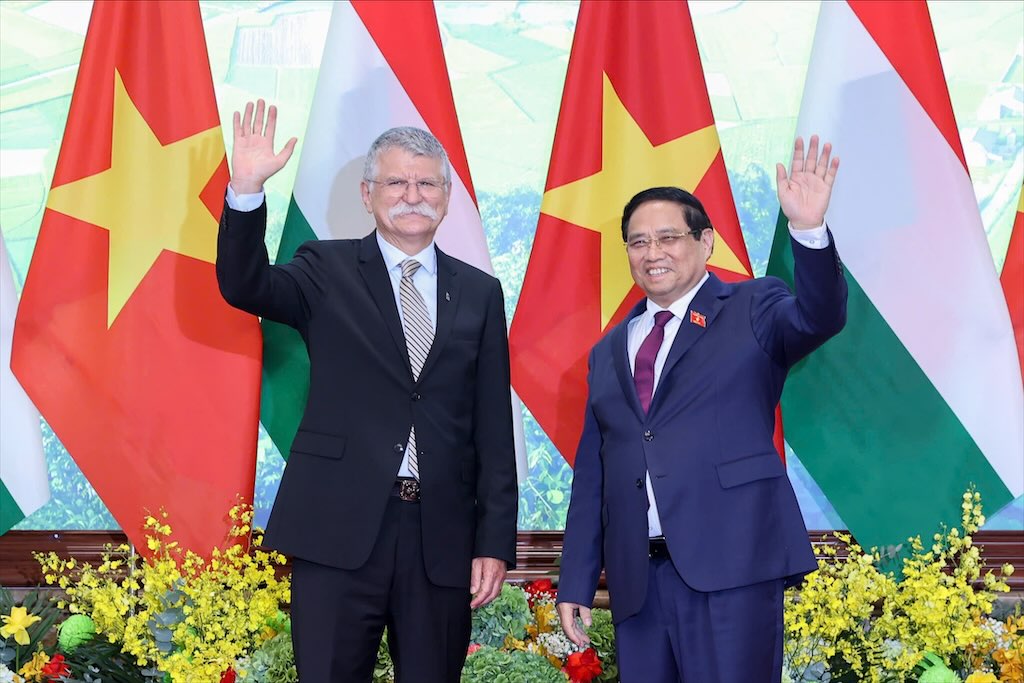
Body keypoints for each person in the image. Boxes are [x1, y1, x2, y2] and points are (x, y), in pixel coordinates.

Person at [216, 100, 518, 682]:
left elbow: (491, 426)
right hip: (337, 526)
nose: (413, 194)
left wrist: (494, 541)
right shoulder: (323, 267)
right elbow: (243, 284)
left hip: (442, 536)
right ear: (367, 193)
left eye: (427, 182)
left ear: (447, 196)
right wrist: (247, 190)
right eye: (397, 181)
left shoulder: (480, 292)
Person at [555, 136, 847, 683]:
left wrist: (808, 230)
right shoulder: (608, 350)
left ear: (706, 242)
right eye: (638, 242)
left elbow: (820, 317)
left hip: (733, 566)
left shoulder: (754, 307)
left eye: (668, 237)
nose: (652, 252)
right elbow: (595, 474)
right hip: (638, 581)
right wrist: (575, 580)